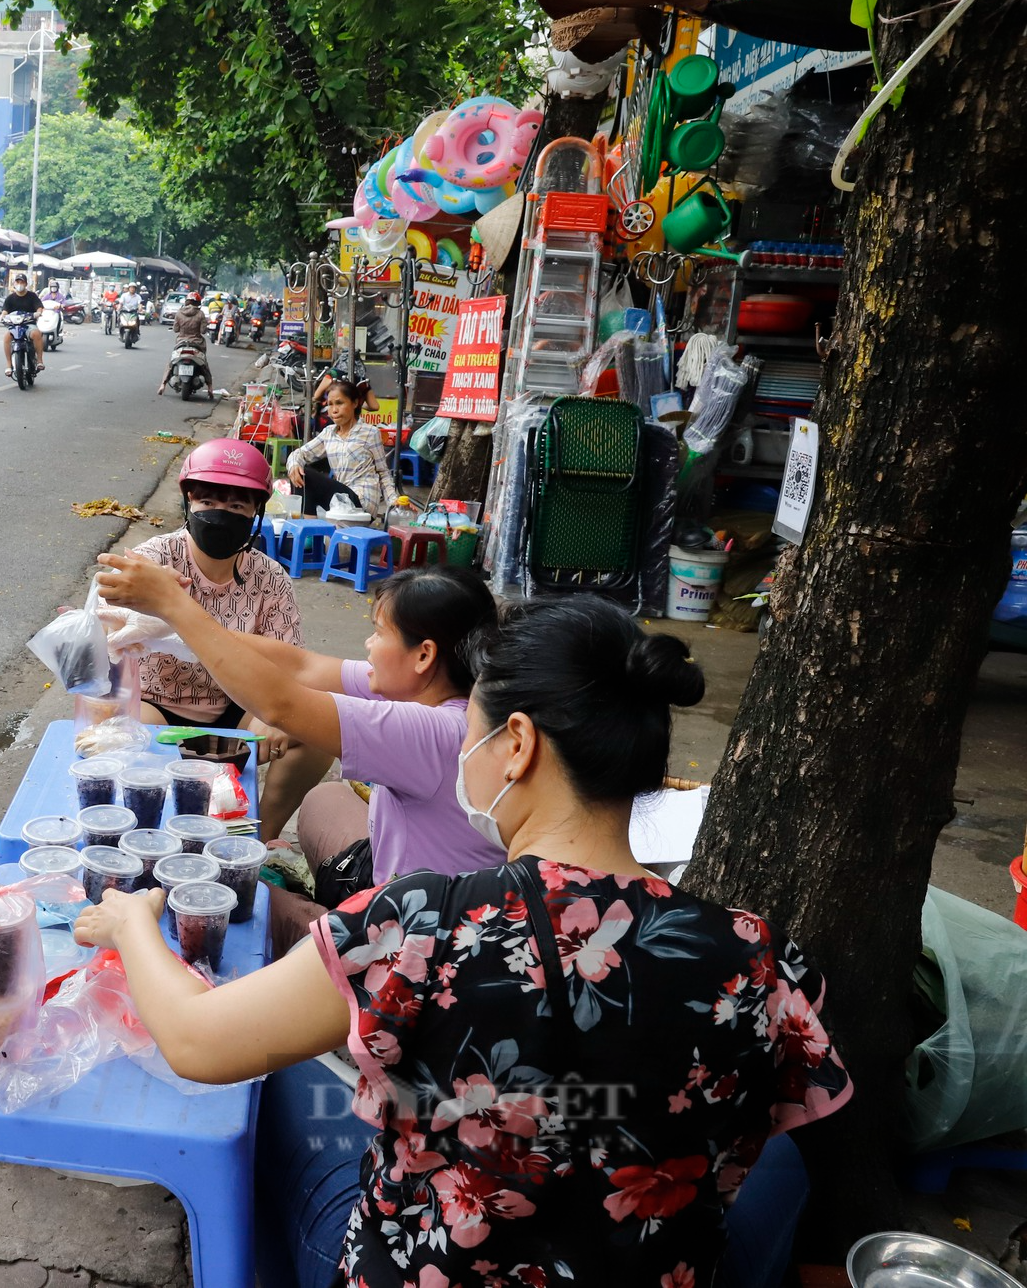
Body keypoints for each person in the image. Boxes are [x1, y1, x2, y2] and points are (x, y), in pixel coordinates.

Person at [72, 594, 852, 1288]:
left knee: (276, 1086)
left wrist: (135, 924)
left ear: (516, 743)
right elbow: (823, 1132)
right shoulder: (759, 959)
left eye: (469, 730)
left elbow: (197, 1041)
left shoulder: (426, 924)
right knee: (785, 1150)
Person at [96, 559, 500, 944]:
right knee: (326, 797)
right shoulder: (435, 694)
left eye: (379, 632)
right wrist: (166, 631)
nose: (368, 643)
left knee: (228, 900)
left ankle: (324, 932)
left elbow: (280, 704)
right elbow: (300, 666)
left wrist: (174, 604)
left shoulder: (436, 731)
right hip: (397, 875)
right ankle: (328, 903)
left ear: (424, 655)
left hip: (422, 936)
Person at [109, 439, 327, 844]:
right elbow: (106, 631)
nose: (220, 516)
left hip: (236, 708)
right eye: (208, 502)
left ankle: (257, 840)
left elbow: (289, 664)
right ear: (188, 503)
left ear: (256, 514)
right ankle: (150, 838)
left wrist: (275, 714)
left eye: (237, 507)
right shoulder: (153, 560)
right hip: (157, 703)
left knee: (317, 732)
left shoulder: (271, 579)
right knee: (133, 744)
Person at [285, 377, 391, 517]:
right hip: (340, 502)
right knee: (299, 474)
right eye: (330, 404)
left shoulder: (370, 433)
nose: (334, 410)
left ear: (355, 403)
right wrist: (293, 465)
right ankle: (308, 532)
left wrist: (394, 502)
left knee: (306, 476)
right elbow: (299, 453)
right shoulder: (329, 433)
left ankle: (309, 532)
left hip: (362, 503)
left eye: (339, 403)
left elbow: (383, 472)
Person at [156, 292, 211, 394]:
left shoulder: (179, 313)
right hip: (197, 343)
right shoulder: (200, 314)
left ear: (187, 301)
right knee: (204, 365)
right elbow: (203, 331)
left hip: (181, 343)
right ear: (198, 302)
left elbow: (176, 329)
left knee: (171, 363)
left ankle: (162, 385)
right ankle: (210, 388)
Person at [0, 273, 44, 375]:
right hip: (14, 326)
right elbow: (5, 311)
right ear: (14, 283)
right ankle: (9, 365)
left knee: (36, 334)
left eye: (22, 282)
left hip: (29, 324)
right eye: (18, 282)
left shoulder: (32, 296)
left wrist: (38, 312)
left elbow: (39, 307)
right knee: (6, 337)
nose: (19, 284)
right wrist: (2, 316)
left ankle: (40, 360)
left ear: (26, 284)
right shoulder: (10, 298)